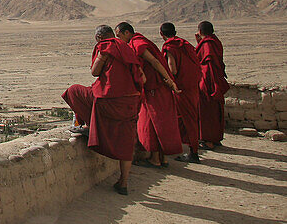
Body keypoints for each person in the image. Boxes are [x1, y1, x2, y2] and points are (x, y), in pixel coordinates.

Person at [62, 24, 144, 195]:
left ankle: (88, 126)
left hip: (110, 100)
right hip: (131, 101)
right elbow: (141, 76)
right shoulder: (126, 48)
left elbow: (94, 71)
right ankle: (123, 182)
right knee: (126, 142)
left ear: (99, 38)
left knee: (73, 91)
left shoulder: (106, 48)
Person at [116, 22, 182, 168]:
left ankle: (156, 160)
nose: (119, 39)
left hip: (155, 89)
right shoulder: (137, 42)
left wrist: (170, 81)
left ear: (127, 33)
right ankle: (161, 159)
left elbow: (155, 62)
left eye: (119, 35)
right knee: (158, 123)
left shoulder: (137, 43)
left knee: (154, 123)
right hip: (155, 89)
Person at [160, 22, 202, 162]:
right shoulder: (185, 44)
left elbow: (172, 69)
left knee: (187, 119)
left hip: (181, 88)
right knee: (188, 118)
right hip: (193, 86)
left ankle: (193, 153)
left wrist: (165, 80)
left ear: (161, 34)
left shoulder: (170, 47)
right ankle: (188, 147)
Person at [196, 20, 228, 149]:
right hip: (215, 81)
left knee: (207, 112)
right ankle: (215, 138)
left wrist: (209, 84)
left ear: (200, 31)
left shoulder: (208, 44)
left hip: (208, 82)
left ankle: (208, 140)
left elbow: (208, 64)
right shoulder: (214, 41)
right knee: (215, 111)